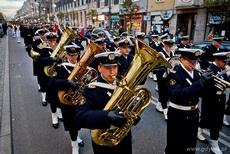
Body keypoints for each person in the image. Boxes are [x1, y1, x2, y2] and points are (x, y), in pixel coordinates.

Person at [74, 51, 134, 154]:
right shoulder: (91, 89)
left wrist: (133, 115)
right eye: (107, 68)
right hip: (104, 142)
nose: (112, 72)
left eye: (115, 67)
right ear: (99, 68)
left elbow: (129, 108)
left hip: (123, 138)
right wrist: (106, 116)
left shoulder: (122, 84)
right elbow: (80, 116)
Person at [165, 48, 213, 154]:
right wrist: (201, 83)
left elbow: (200, 93)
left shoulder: (196, 73)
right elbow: (179, 94)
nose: (194, 65)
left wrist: (208, 84)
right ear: (182, 59)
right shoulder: (173, 74)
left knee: (190, 144)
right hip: (178, 115)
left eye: (195, 62)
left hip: (193, 114)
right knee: (175, 145)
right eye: (191, 62)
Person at [47, 44, 84, 154]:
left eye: (75, 54)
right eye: (70, 55)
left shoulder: (82, 67)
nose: (73, 57)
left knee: (79, 122)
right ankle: (74, 145)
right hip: (67, 101)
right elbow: (51, 82)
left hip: (79, 100)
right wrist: (66, 83)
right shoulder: (60, 67)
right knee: (72, 124)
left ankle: (76, 137)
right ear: (66, 55)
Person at [199, 52, 230, 154]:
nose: (226, 64)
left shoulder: (223, 69)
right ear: (217, 60)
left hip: (220, 99)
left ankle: (214, 143)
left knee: (217, 122)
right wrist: (220, 75)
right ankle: (200, 132)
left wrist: (226, 74)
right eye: (224, 62)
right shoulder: (210, 69)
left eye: (226, 62)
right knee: (206, 118)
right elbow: (206, 86)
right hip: (210, 99)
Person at [36, 32, 61, 106]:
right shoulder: (41, 47)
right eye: (50, 41)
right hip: (44, 70)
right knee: (44, 85)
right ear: (47, 40)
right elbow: (38, 60)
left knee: (54, 88)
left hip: (55, 70)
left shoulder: (59, 48)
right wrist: (51, 59)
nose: (52, 42)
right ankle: (44, 98)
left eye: (54, 40)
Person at [155, 39, 175, 119]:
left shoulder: (172, 53)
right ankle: (165, 109)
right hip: (161, 74)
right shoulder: (160, 53)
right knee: (162, 90)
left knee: (167, 91)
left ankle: (159, 104)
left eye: (170, 46)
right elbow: (159, 64)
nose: (169, 48)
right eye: (168, 46)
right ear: (164, 45)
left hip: (168, 74)